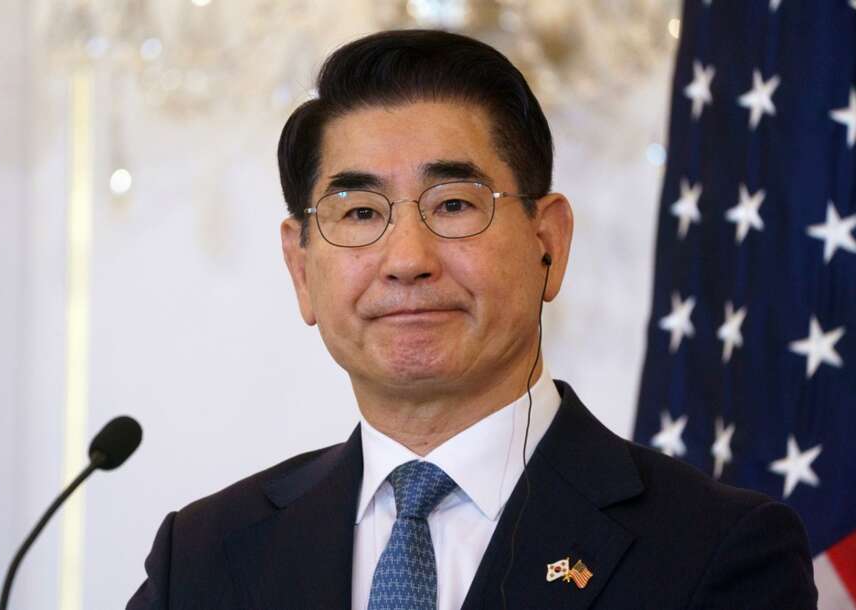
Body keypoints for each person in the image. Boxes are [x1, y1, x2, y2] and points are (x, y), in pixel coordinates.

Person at [127, 29, 817, 610]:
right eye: (360, 213)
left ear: (548, 242)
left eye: (454, 204)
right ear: (301, 269)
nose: (407, 260)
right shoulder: (205, 556)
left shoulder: (715, 548)